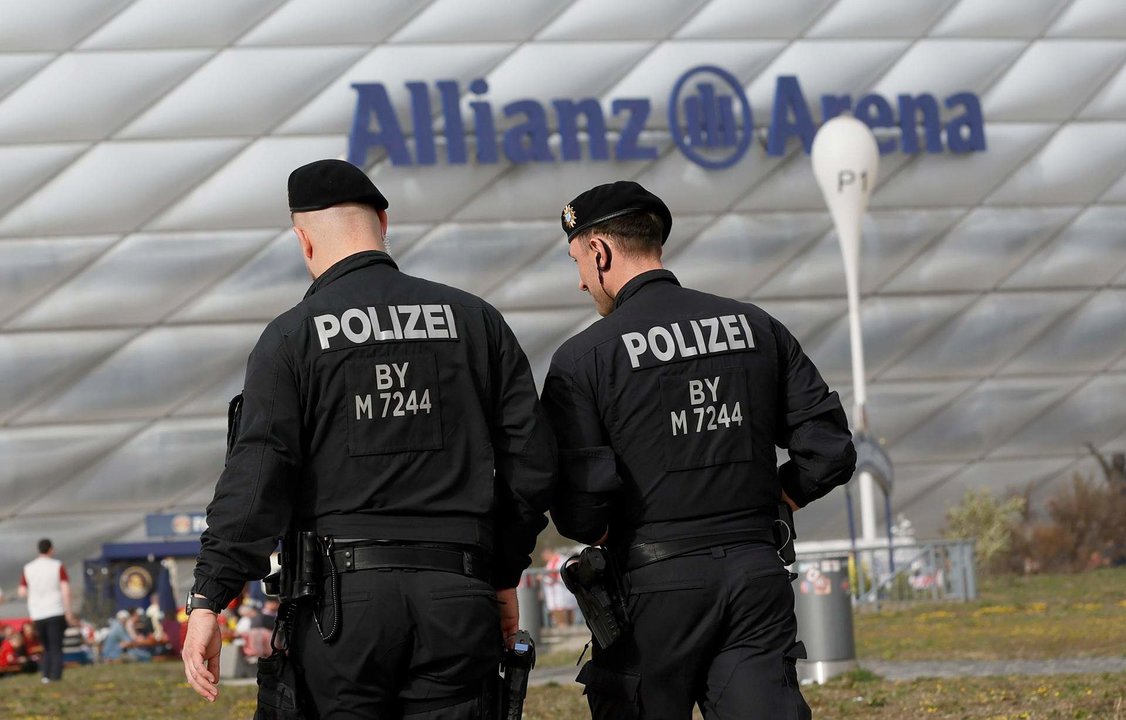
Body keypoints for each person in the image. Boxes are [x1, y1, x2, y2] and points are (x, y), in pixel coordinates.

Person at [182, 159, 556, 717]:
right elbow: (533, 466)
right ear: (384, 220)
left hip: (341, 611)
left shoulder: (292, 338)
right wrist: (502, 573)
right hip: (458, 593)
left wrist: (210, 598)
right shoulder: (475, 321)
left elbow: (258, 480)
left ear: (303, 240)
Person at [542, 181, 857, 719]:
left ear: (599, 251)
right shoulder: (757, 327)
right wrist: (776, 501)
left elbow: (580, 509)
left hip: (651, 592)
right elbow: (829, 450)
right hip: (757, 579)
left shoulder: (583, 359)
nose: (579, 283)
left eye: (577, 261)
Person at [17, 538, 74, 683]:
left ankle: (45, 675)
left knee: (45, 646)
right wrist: (68, 612)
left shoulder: (28, 568)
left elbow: (22, 592)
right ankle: (56, 676)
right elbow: (65, 590)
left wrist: (35, 595)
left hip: (37, 612)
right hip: (55, 610)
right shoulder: (57, 566)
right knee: (56, 645)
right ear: (51, 549)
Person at [540, 547, 577, 628]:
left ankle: (563, 630)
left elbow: (551, 577)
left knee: (560, 614)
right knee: (568, 614)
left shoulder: (556, 560)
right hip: (566, 592)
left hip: (558, 594)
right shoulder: (564, 559)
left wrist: (542, 577)